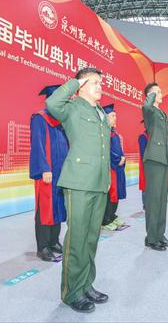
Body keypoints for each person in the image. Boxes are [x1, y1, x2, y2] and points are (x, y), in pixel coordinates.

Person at [46, 67, 111, 313]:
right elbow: (52, 103)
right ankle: (72, 292)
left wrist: (106, 179)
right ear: (82, 85)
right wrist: (75, 82)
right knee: (77, 239)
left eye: (100, 82)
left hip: (98, 182)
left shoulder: (100, 112)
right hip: (79, 182)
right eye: (95, 82)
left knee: (91, 238)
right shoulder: (72, 108)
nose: (100, 86)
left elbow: (103, 150)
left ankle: (86, 284)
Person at [30, 85, 68, 263]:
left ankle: (54, 241)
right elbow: (38, 145)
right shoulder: (40, 118)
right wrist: (44, 168)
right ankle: (43, 247)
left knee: (58, 206)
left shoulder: (61, 122)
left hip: (61, 172)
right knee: (45, 208)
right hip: (48, 172)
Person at [142, 82, 168, 251]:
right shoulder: (149, 111)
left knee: (162, 200)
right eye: (158, 92)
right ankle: (151, 238)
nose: (161, 94)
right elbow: (146, 107)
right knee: (154, 200)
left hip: (162, 159)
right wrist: (152, 94)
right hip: (154, 159)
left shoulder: (161, 112)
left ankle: (160, 235)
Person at [101, 104, 127, 231]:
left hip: (118, 167)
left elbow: (119, 149)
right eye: (112, 116)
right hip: (110, 167)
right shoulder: (104, 132)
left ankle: (112, 215)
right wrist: (118, 159)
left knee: (117, 193)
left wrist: (123, 157)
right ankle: (105, 220)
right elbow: (107, 150)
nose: (115, 118)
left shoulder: (114, 132)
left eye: (115, 115)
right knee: (110, 193)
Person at [137, 127, 149, 209]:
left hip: (151, 164)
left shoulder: (152, 136)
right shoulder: (143, 136)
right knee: (145, 185)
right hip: (145, 163)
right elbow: (143, 152)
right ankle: (145, 205)